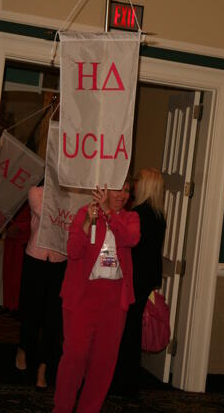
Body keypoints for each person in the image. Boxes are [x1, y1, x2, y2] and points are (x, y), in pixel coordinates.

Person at [53, 180, 140, 413]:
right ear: (104, 189)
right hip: (83, 297)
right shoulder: (85, 213)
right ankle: (61, 408)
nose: (123, 194)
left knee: (103, 364)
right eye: (118, 189)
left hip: (114, 301)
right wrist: (88, 223)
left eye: (127, 190)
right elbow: (73, 251)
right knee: (75, 357)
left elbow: (130, 238)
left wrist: (110, 213)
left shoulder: (130, 218)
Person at [110, 168, 166, 399]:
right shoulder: (159, 214)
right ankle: (129, 383)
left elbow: (133, 248)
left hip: (135, 279)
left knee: (127, 332)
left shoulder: (140, 213)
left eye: (138, 181)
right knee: (131, 331)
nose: (133, 184)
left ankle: (123, 383)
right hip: (147, 279)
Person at [15, 186, 67, 390]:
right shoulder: (35, 192)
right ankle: (23, 347)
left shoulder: (71, 197)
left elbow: (72, 223)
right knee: (31, 310)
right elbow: (49, 218)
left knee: (53, 317)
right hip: (35, 258)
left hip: (60, 260)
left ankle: (43, 367)